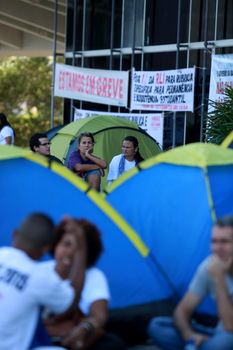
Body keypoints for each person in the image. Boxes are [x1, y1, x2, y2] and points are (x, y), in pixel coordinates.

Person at [0, 213, 87, 350]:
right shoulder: (38, 276)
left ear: (14, 234)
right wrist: (81, 248)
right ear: (46, 248)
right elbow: (70, 303)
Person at [148, 215, 233, 350]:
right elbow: (181, 313)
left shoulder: (215, 271)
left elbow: (230, 326)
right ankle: (198, 346)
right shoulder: (208, 267)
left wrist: (218, 278)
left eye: (224, 242)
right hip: (218, 335)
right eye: (214, 242)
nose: (217, 248)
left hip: (228, 335)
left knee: (224, 342)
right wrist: (190, 336)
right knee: (157, 326)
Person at [41, 218, 126, 350]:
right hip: (41, 338)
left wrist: (84, 328)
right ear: (56, 244)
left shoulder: (94, 276)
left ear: (88, 253)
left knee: (113, 342)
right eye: (66, 244)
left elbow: (98, 316)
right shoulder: (39, 272)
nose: (70, 252)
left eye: (79, 248)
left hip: (75, 339)